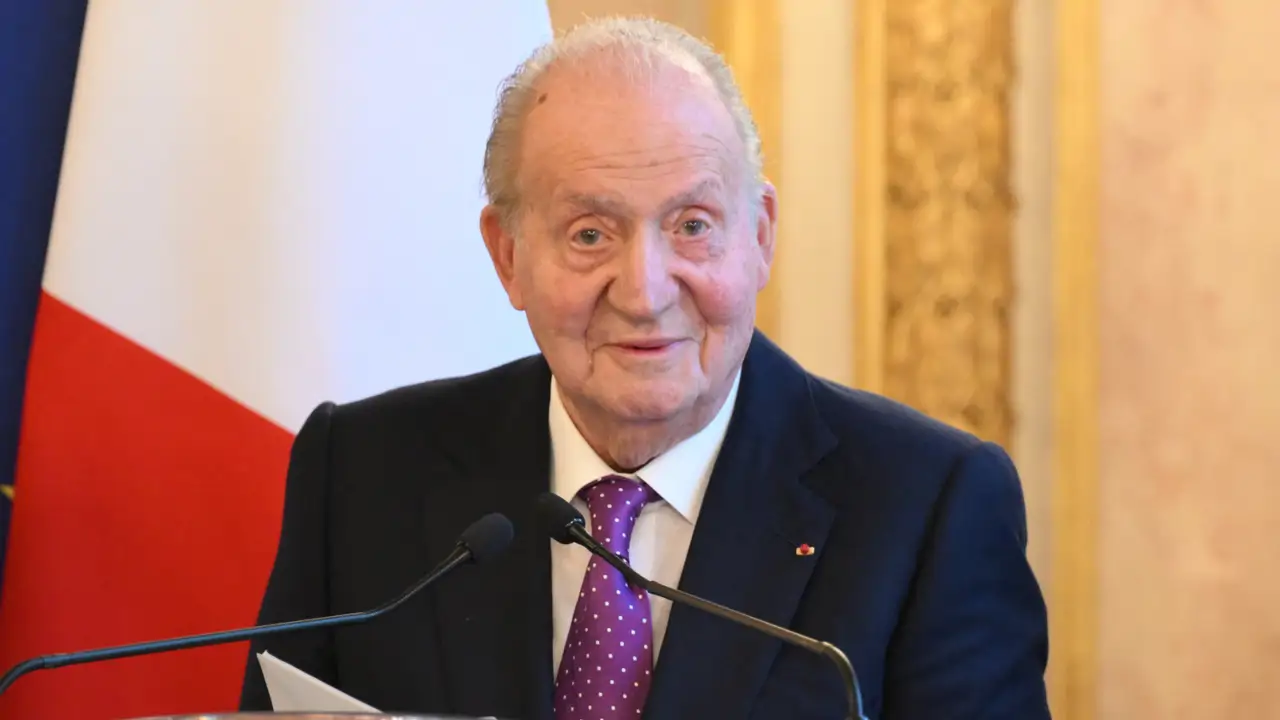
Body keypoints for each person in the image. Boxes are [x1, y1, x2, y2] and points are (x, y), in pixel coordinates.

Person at [239, 16, 1049, 720]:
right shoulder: (363, 472)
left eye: (692, 225)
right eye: (590, 234)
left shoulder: (926, 506)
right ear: (508, 255)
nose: (645, 291)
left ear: (759, 235)